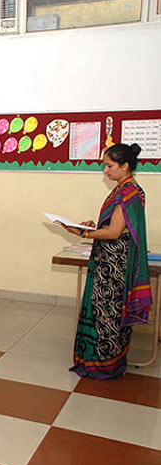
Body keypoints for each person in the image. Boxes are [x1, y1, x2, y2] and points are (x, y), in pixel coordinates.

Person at [62, 143, 152, 380]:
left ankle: (104, 364)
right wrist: (93, 227)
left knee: (107, 314)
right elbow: (113, 226)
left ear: (125, 166)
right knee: (101, 311)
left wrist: (83, 233)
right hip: (107, 261)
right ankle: (96, 360)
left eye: (110, 165)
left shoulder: (129, 192)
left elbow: (114, 232)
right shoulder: (122, 189)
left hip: (114, 267)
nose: (105, 170)